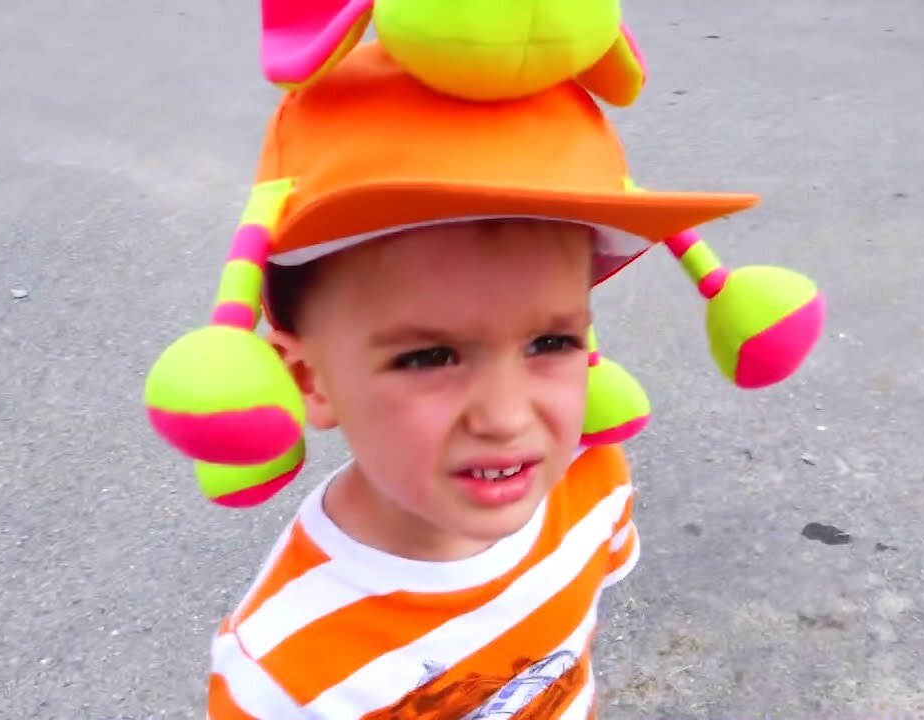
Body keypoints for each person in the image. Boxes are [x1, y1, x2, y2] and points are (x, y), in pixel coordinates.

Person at [143, 32, 823, 720]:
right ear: (308, 380)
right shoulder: (284, 671)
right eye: (429, 357)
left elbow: (563, 659)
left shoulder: (591, 486)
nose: (506, 418)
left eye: (552, 341)